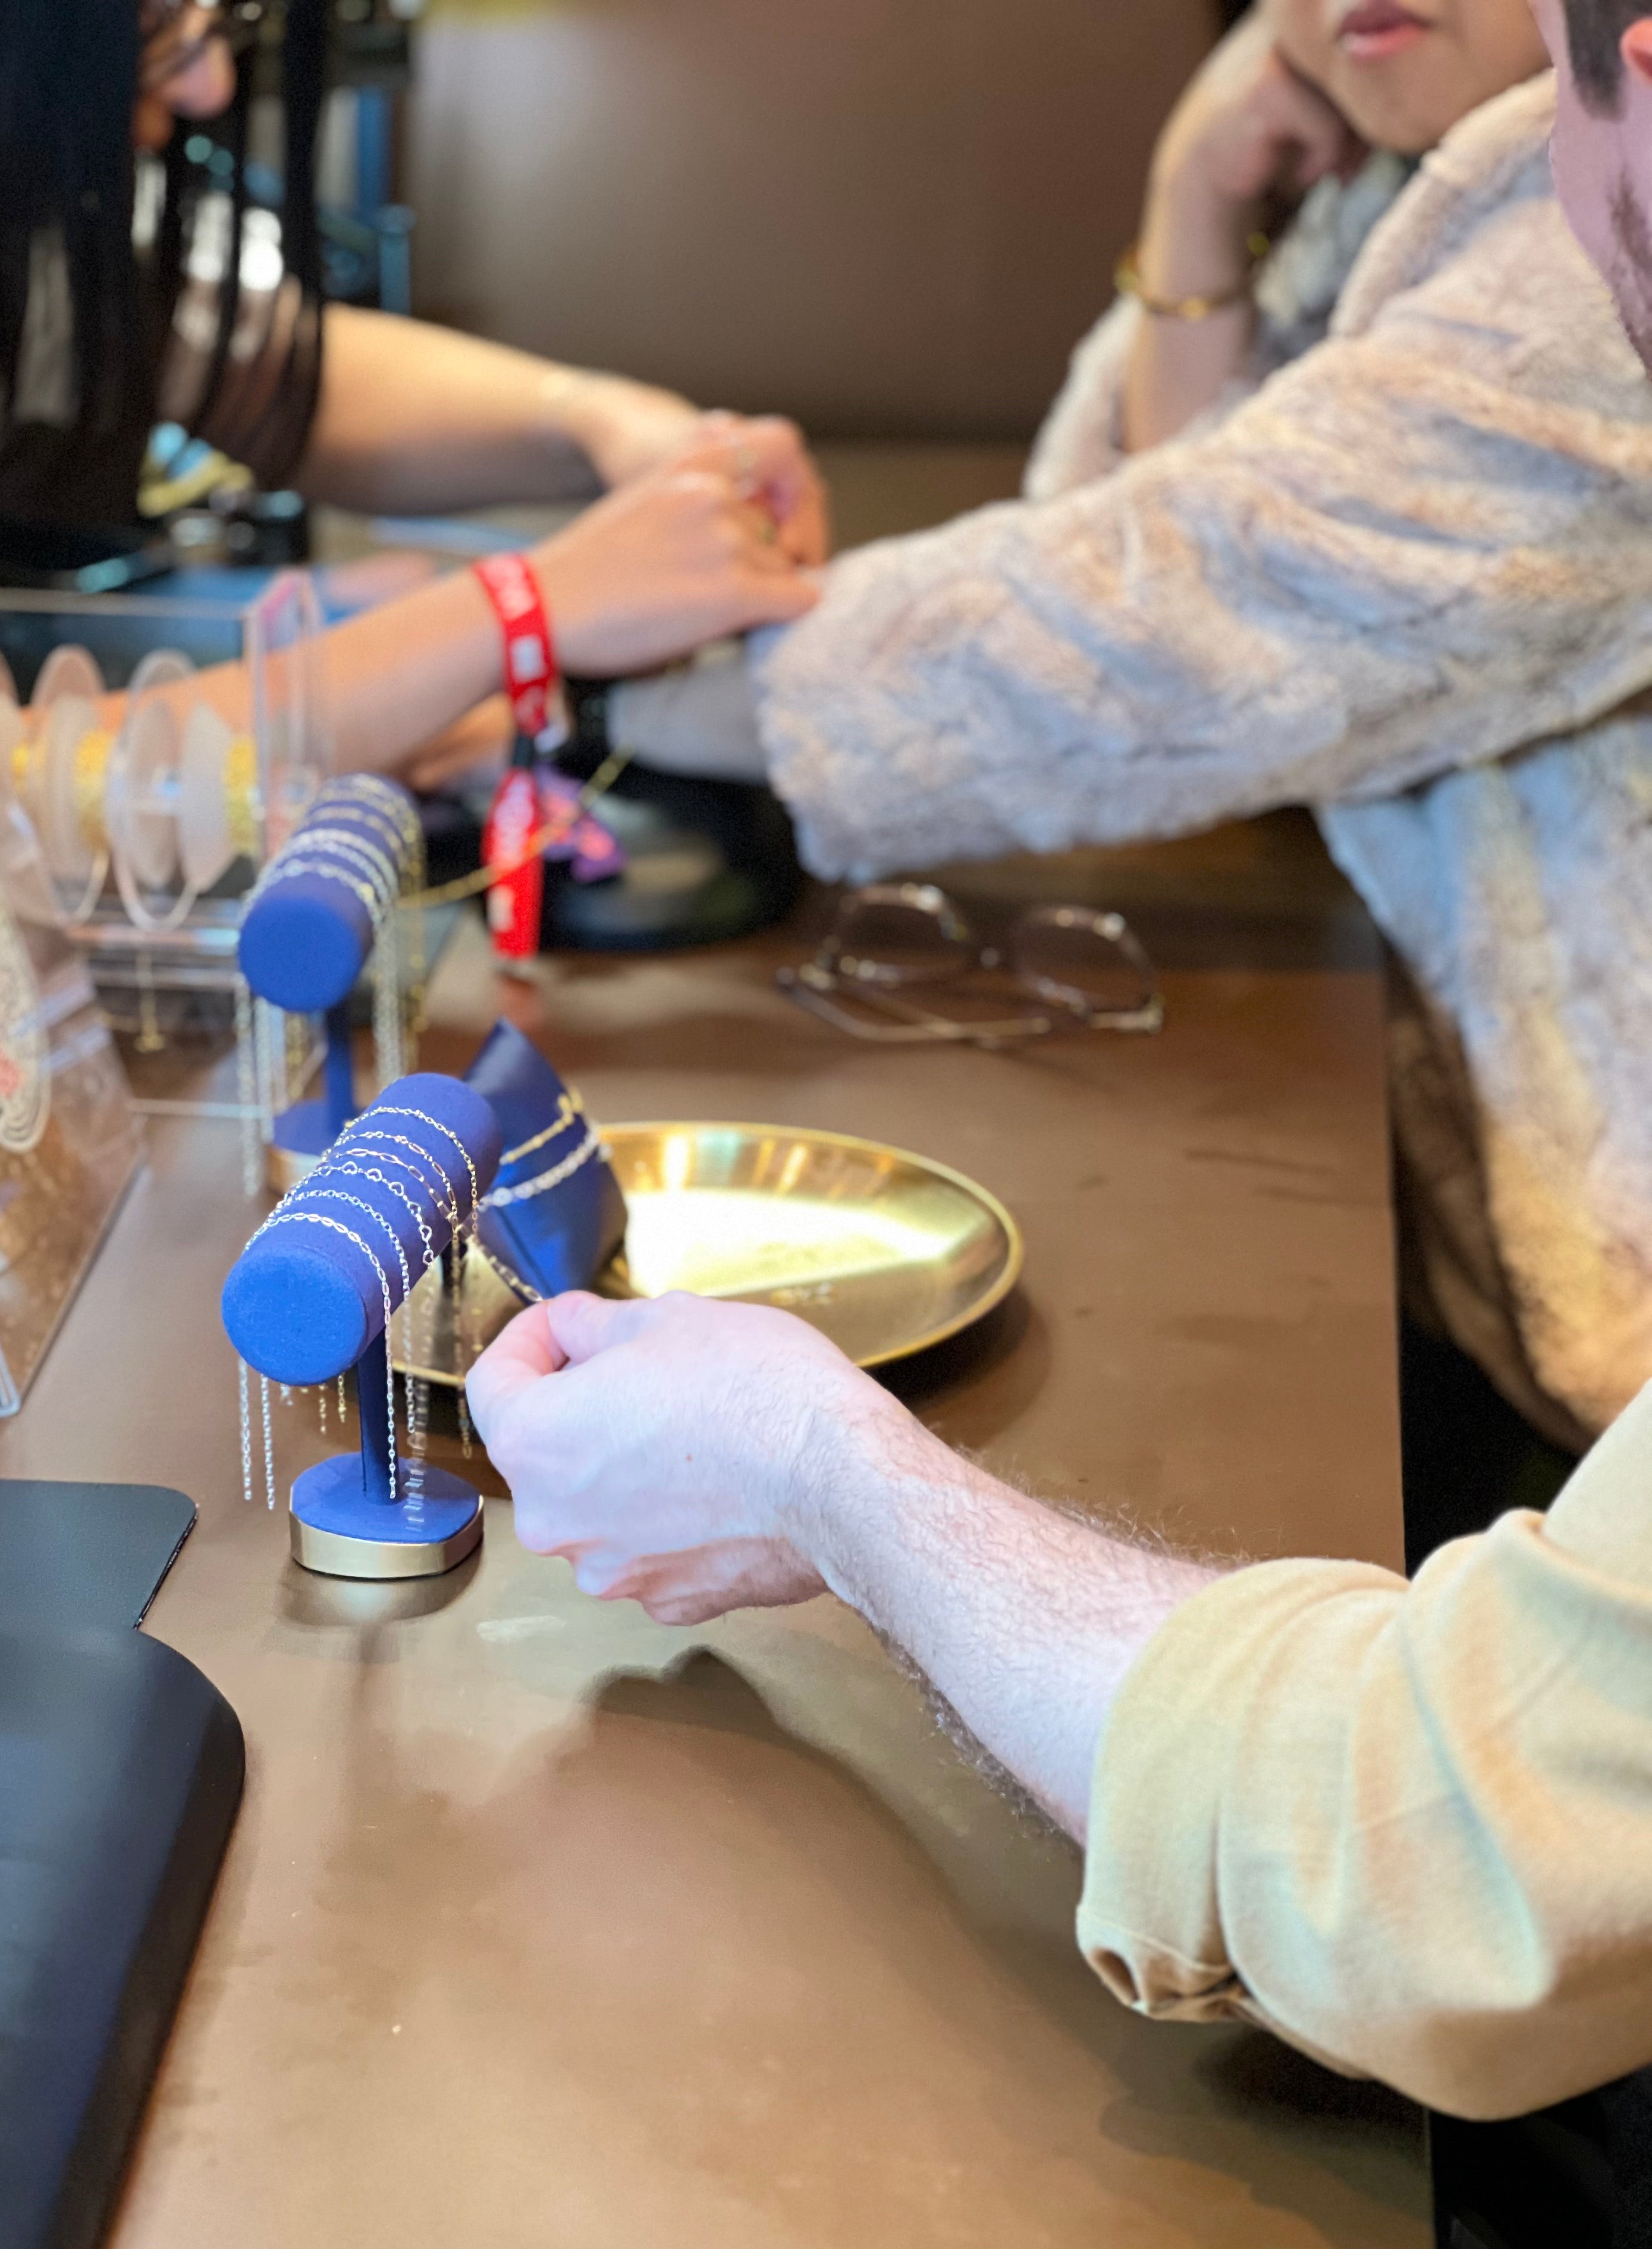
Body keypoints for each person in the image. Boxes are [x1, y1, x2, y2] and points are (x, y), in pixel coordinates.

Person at [466, 0, 1652, 2137]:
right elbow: (1189, 553)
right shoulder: (1397, 193)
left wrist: (822, 1471)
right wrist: (1195, 225)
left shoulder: (1563, 282)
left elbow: (1427, 1846)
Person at [586, 0, 1652, 1474]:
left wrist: (564, 673)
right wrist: (1197, 209)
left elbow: (1158, 621)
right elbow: (1129, 532)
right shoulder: (1400, 182)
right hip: (1497, 1274)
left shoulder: (1602, 223)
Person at [0, 0, 825, 768]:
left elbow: (261, 368)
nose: (208, 84)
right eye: (158, 24)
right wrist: (506, 616)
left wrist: (604, 422)